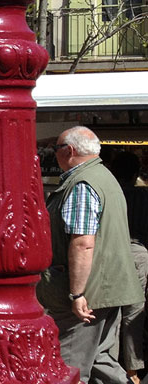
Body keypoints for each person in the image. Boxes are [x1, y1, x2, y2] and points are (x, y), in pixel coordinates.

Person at [37, 126, 144, 383]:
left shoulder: (82, 183)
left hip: (88, 293)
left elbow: (83, 242)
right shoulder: (103, 177)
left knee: (69, 365)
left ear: (69, 151)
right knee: (100, 359)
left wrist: (77, 293)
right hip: (108, 287)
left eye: (56, 148)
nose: (54, 154)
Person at [111, 151, 148, 383]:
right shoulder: (143, 197)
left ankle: (112, 363)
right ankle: (133, 368)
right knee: (134, 312)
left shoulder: (109, 194)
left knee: (112, 312)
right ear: (136, 173)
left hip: (112, 253)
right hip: (138, 254)